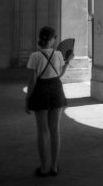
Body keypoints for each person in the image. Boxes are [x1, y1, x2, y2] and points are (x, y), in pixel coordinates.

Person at [25, 26, 73, 177]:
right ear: (52, 40)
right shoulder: (58, 54)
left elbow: (32, 81)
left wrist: (28, 99)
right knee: (54, 130)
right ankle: (54, 166)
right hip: (56, 90)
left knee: (42, 131)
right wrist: (68, 61)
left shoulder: (35, 56)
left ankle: (44, 167)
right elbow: (60, 74)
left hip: (41, 90)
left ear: (41, 38)